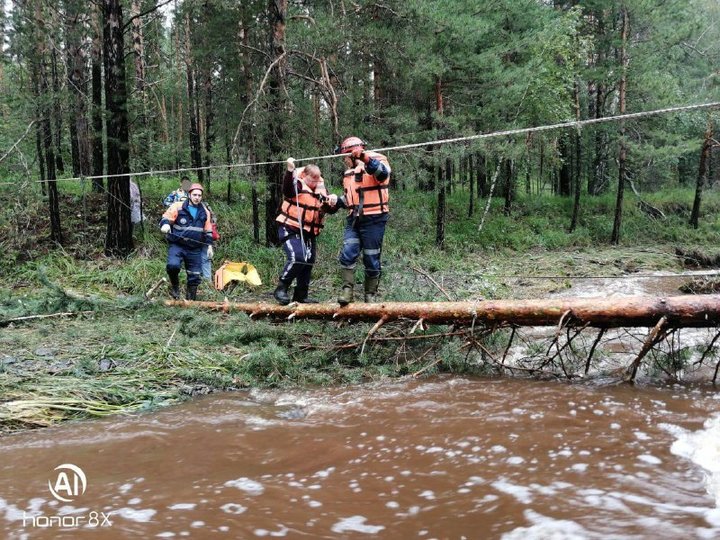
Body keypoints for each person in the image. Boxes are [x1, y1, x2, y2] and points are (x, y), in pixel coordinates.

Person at [326, 136, 391, 305]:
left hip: (374, 218)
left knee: (371, 257)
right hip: (354, 219)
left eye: (345, 157)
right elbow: (350, 198)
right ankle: (347, 292)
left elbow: (382, 174)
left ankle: (370, 295)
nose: (344, 161)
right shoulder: (349, 173)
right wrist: (334, 201)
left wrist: (365, 158)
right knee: (348, 253)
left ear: (353, 155)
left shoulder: (378, 160)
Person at [273, 158, 328, 305]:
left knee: (308, 262)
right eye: (312, 180)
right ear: (304, 176)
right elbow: (288, 190)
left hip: (309, 232)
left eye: (317, 180)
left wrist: (332, 203)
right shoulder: (296, 183)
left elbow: (327, 208)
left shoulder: (320, 188)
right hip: (290, 227)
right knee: (299, 257)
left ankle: (301, 295)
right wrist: (290, 170)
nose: (315, 183)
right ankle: (281, 288)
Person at [159, 183, 214, 300]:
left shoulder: (205, 212)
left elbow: (208, 230)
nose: (197, 197)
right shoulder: (178, 206)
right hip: (177, 244)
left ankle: (190, 302)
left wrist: (209, 246)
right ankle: (175, 288)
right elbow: (166, 217)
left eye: (199, 195)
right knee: (172, 266)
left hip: (194, 248)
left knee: (195, 276)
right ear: (189, 194)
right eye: (194, 194)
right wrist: (165, 225)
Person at [200, 203, 220, 281]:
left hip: (203, 237)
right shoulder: (206, 205)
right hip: (207, 237)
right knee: (205, 259)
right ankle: (207, 281)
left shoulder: (201, 207)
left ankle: (206, 281)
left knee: (203, 258)